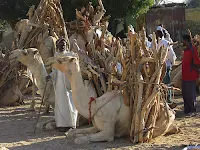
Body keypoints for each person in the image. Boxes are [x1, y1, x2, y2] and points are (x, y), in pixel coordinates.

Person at [47, 38, 78, 132]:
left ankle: (71, 124)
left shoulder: (70, 55)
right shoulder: (56, 56)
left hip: (68, 82)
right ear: (57, 46)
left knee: (70, 102)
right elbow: (55, 70)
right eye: (61, 44)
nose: (62, 46)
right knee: (60, 103)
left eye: (64, 44)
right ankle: (61, 124)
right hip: (59, 83)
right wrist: (50, 76)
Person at [156, 30, 177, 109]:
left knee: (167, 84)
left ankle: (169, 101)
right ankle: (164, 101)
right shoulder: (157, 43)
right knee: (161, 84)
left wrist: (171, 63)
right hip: (159, 66)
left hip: (166, 66)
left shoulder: (165, 43)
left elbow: (171, 55)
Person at [182, 35, 200, 115]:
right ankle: (187, 109)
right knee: (185, 93)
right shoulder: (186, 50)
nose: (182, 42)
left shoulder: (193, 50)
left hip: (191, 75)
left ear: (186, 41)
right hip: (185, 75)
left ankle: (193, 110)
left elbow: (197, 62)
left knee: (191, 93)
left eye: (183, 41)